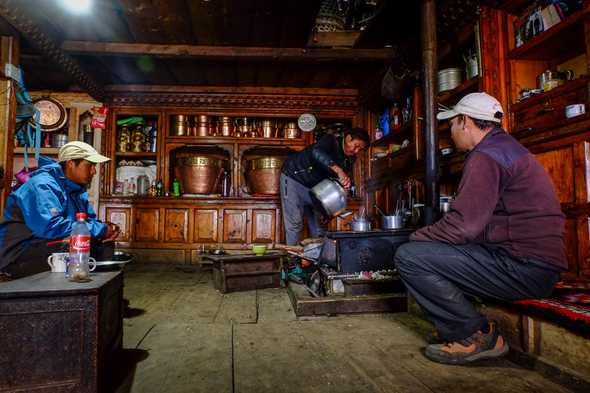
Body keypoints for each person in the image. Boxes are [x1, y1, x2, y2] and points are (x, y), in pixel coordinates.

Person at [394, 92, 566, 365]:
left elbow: (462, 228)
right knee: (432, 251)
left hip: (524, 269)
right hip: (536, 266)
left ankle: (475, 335)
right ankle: (461, 325)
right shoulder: (506, 148)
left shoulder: (486, 156)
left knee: (410, 256)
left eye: (451, 124)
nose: (450, 132)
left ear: (465, 122)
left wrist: (415, 237)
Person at [0, 141, 121, 279]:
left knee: (101, 243)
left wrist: (105, 230)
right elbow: (51, 228)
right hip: (18, 254)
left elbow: (87, 222)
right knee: (71, 247)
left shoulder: (76, 190)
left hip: (45, 245)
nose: (94, 171)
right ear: (70, 163)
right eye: (90, 165)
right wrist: (100, 229)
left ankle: (100, 296)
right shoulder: (42, 185)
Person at [280, 127, 369, 245]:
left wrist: (344, 185)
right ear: (348, 138)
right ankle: (292, 260)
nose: (356, 151)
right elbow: (316, 152)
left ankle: (317, 260)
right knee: (295, 223)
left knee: (319, 227)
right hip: (293, 178)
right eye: (356, 145)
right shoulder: (331, 140)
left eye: (360, 149)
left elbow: (339, 181)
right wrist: (339, 170)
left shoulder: (350, 159)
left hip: (315, 188)